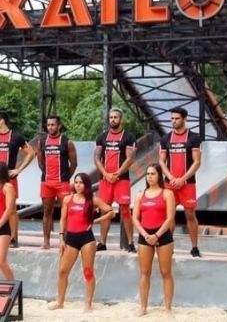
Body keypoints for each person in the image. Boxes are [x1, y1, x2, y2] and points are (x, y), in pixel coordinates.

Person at [48, 172, 114, 312]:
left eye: (81, 183)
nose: (78, 185)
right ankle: (60, 301)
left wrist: (95, 221)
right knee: (62, 271)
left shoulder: (93, 200)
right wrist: (61, 238)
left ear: (86, 185)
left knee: (88, 272)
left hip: (86, 239)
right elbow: (63, 219)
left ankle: (88, 304)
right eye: (76, 182)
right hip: (70, 238)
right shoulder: (67, 199)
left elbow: (111, 212)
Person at [0, 111, 34, 248]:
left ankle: (13, 237)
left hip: (10, 178)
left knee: (11, 209)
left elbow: (31, 153)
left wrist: (19, 169)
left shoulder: (16, 137)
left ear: (2, 121)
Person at [132, 164, 177, 316]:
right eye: (148, 174)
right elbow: (135, 218)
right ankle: (143, 307)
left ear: (159, 176)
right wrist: (146, 235)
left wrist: (157, 235)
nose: (149, 176)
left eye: (153, 174)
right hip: (145, 235)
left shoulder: (167, 194)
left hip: (162, 234)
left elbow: (170, 218)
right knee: (144, 273)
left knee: (166, 272)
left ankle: (168, 307)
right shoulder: (140, 195)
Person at [160, 106, 203, 257]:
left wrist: (183, 179)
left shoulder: (194, 138)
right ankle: (168, 245)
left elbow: (197, 162)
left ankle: (195, 247)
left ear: (185, 119)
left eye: (177, 118)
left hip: (188, 183)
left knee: (190, 214)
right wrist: (171, 178)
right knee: (169, 215)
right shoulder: (165, 138)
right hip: (169, 183)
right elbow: (161, 161)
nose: (174, 121)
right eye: (172, 118)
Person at [94, 108, 138, 252]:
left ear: (121, 120)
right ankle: (102, 242)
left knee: (125, 210)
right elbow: (96, 157)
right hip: (105, 179)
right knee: (105, 210)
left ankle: (131, 243)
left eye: (115, 117)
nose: (112, 120)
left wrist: (117, 173)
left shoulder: (129, 137)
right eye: (111, 117)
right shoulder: (101, 137)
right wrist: (105, 174)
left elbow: (130, 158)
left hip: (122, 179)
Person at [35, 115, 77, 249]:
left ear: (59, 126)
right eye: (48, 125)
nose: (50, 127)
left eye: (53, 125)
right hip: (46, 183)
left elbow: (74, 164)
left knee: (66, 212)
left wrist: (65, 177)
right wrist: (47, 174)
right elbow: (40, 162)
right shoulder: (42, 142)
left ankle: (65, 241)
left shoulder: (67, 142)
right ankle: (46, 241)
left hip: (62, 183)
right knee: (47, 211)